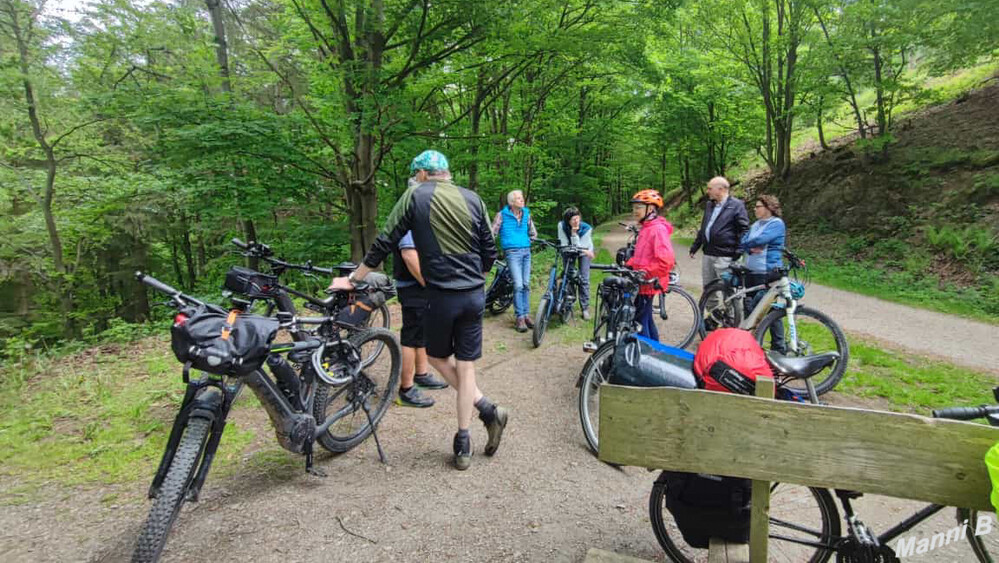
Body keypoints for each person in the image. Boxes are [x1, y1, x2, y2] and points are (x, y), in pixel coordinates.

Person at [330, 150, 508, 471]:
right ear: (447, 172)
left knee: (440, 358)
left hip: (440, 295)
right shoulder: (473, 198)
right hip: (473, 295)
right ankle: (465, 438)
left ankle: (485, 411)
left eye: (416, 175)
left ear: (423, 174)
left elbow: (385, 241)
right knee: (466, 366)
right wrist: (476, 280)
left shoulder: (414, 195)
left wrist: (352, 280)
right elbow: (489, 250)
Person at [391, 230, 449, 408]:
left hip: (420, 288)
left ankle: (421, 375)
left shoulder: (419, 222)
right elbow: (409, 256)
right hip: (413, 288)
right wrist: (427, 283)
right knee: (411, 337)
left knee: (423, 331)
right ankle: (406, 390)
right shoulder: (409, 227)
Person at [689, 176, 749, 309]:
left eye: (710, 188)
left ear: (721, 189)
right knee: (709, 288)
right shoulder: (710, 205)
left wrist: (739, 251)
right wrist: (696, 246)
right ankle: (714, 317)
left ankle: (733, 320)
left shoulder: (736, 205)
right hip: (708, 254)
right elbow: (705, 227)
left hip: (726, 255)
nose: (707, 191)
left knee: (728, 290)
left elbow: (744, 230)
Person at [626, 190, 676, 342]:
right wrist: (629, 264)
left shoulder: (657, 229)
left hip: (648, 282)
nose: (635, 211)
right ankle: (655, 351)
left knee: (640, 322)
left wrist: (644, 272)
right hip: (644, 282)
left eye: (639, 207)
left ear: (651, 209)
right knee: (646, 319)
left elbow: (666, 261)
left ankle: (646, 357)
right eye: (634, 208)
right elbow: (643, 256)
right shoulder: (647, 228)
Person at [740, 194, 787, 351]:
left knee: (770, 309)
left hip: (767, 272)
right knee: (750, 308)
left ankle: (779, 347)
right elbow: (743, 241)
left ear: (768, 208)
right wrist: (749, 246)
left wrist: (750, 244)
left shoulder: (776, 224)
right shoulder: (756, 225)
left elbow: (760, 240)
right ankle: (750, 343)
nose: (755, 209)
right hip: (751, 271)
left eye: (758, 206)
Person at [491, 190, 538, 333]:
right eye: (518, 198)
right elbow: (492, 233)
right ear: (511, 202)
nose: (522, 200)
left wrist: (526, 242)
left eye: (522, 198)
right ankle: (519, 318)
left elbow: (534, 234)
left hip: (526, 252)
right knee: (517, 285)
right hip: (512, 253)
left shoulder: (526, 214)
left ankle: (526, 315)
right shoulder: (502, 215)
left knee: (526, 284)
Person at [556, 207, 595, 320]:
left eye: (578, 218)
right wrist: (571, 238)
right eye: (573, 219)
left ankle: (585, 308)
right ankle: (569, 303)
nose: (576, 221)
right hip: (568, 249)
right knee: (569, 276)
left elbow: (580, 247)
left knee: (584, 278)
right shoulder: (561, 226)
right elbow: (563, 243)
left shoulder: (587, 228)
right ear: (567, 220)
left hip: (584, 249)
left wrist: (574, 233)